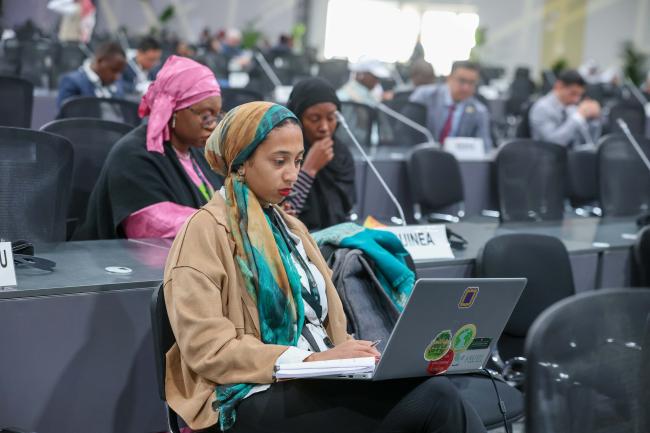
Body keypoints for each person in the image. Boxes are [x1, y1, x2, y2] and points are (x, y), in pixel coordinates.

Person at [163, 100, 487, 433]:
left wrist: (355, 358)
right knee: (436, 401)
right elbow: (208, 349)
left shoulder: (292, 228)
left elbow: (326, 327)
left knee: (430, 391)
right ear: (241, 162)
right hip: (245, 393)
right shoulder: (204, 231)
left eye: (299, 161)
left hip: (315, 380)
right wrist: (308, 360)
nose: (293, 173)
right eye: (279, 161)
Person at [73, 56, 223, 240]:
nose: (213, 125)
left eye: (216, 116)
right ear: (173, 109)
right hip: (125, 263)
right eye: (205, 116)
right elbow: (151, 226)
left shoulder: (199, 154)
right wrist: (225, 225)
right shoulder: (133, 155)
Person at [284, 77, 356, 231]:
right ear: (297, 119)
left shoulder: (341, 154)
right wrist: (309, 169)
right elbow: (285, 214)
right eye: (314, 119)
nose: (324, 127)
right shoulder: (282, 153)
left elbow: (347, 210)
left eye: (331, 118)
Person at [410, 60, 492, 150]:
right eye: (462, 81)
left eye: (471, 83)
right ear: (449, 78)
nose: (466, 88)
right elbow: (407, 132)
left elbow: (485, 147)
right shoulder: (425, 96)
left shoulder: (479, 111)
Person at [529, 69, 602, 147]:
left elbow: (588, 142)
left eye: (579, 95)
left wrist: (593, 119)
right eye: (573, 93)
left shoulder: (571, 108)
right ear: (559, 86)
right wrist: (578, 117)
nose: (576, 100)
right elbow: (553, 143)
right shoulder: (542, 108)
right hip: (546, 156)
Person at [56, 40, 126, 107]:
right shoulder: (72, 82)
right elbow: (67, 115)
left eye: (120, 72)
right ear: (100, 61)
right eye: (113, 70)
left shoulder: (117, 86)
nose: (117, 77)